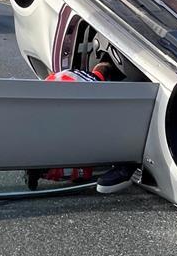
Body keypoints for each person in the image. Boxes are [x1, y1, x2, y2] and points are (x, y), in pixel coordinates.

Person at [42, 62, 139, 194]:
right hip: (65, 124)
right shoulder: (94, 84)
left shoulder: (68, 74)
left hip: (46, 116)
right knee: (84, 168)